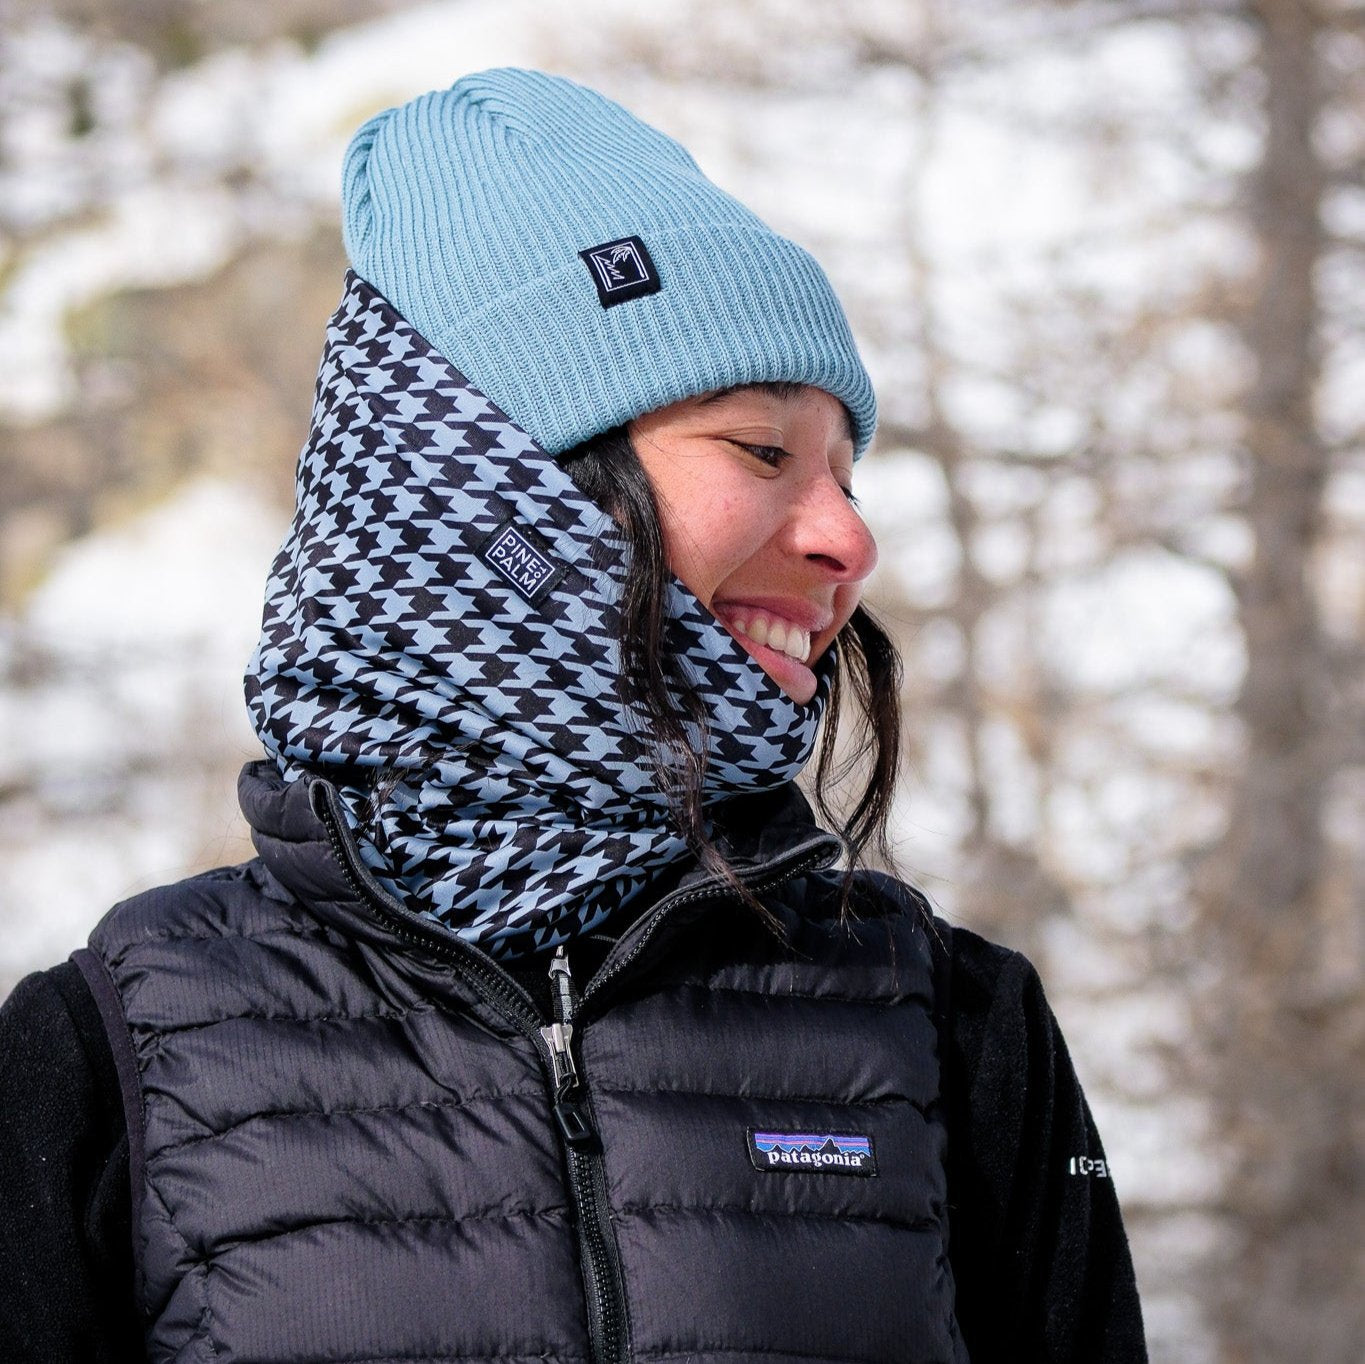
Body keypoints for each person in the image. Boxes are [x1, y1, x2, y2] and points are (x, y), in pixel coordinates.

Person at [0, 69, 1146, 1363]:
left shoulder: (951, 1025)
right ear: (496, 493)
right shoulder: (111, 1054)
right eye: (763, 452)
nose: (848, 540)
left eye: (847, 474)